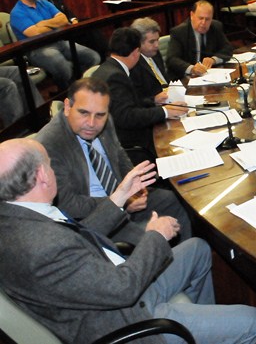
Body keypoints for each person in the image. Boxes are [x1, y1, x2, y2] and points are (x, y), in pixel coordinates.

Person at [0, 138, 256, 344]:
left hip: (108, 288)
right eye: (50, 164)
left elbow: (77, 238)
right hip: (126, 320)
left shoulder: (19, 214)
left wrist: (119, 197)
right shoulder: (40, 245)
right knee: (252, 322)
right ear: (42, 175)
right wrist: (155, 236)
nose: (53, 170)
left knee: (198, 248)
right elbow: (122, 289)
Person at [35, 77, 192, 241]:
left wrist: (134, 186)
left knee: (172, 200)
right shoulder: (49, 145)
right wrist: (119, 201)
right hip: (91, 218)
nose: (91, 123)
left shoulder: (106, 120)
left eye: (100, 115)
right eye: (84, 113)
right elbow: (68, 204)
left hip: (121, 197)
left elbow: (119, 155)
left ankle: (183, 252)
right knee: (155, 236)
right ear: (67, 107)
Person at [93, 28, 188, 162]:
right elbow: (127, 116)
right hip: (129, 141)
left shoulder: (108, 68)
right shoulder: (116, 76)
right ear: (136, 52)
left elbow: (124, 104)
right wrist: (165, 112)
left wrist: (153, 100)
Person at [10, 0, 100, 90]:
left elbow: (64, 20)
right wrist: (55, 25)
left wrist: (43, 23)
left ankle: (81, 87)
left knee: (93, 57)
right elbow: (35, 33)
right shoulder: (17, 13)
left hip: (59, 42)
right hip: (37, 49)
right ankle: (69, 92)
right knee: (65, 69)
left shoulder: (45, 3)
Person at [35, 0, 109, 60]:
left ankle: (104, 53)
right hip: (58, 31)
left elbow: (68, 12)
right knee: (88, 34)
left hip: (70, 26)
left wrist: (73, 19)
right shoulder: (37, 1)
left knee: (89, 23)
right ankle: (103, 55)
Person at [165, 0, 233, 81]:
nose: (203, 23)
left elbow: (228, 48)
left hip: (209, 77)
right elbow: (172, 59)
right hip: (184, 79)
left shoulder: (216, 26)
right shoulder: (179, 32)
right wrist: (192, 68)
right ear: (192, 15)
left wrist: (213, 59)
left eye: (207, 19)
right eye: (200, 18)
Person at [130, 17, 169, 103]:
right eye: (152, 42)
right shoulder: (133, 63)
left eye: (157, 40)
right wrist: (154, 99)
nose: (157, 45)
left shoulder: (155, 53)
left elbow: (165, 78)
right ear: (138, 42)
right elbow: (138, 99)